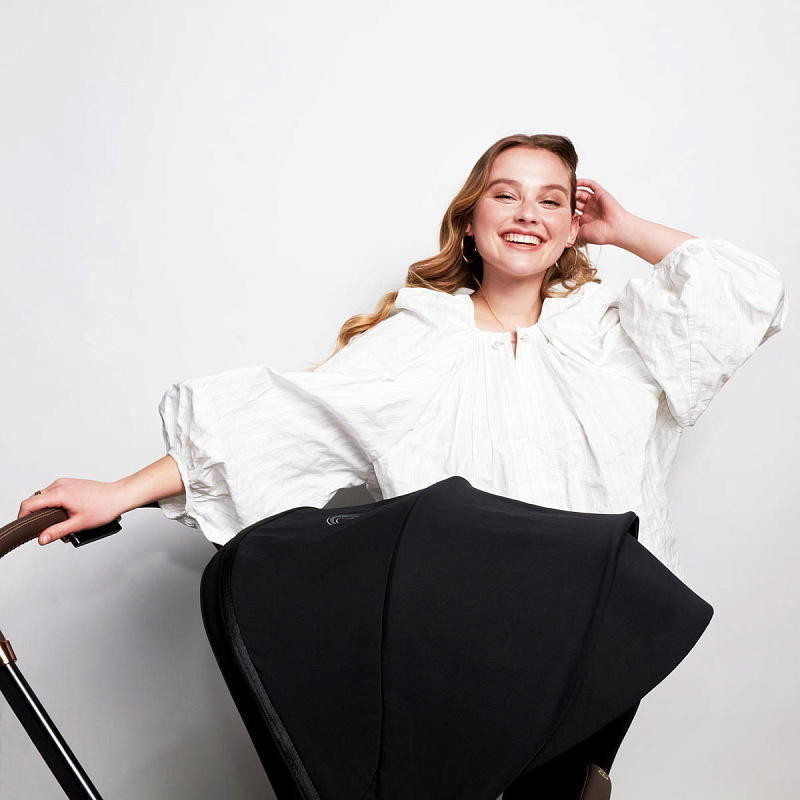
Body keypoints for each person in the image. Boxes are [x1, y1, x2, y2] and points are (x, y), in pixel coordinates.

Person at [16, 133, 788, 795]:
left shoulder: (619, 335)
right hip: (461, 635)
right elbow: (280, 424)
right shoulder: (415, 345)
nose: (527, 212)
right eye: (506, 194)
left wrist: (624, 229)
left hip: (598, 629)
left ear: (570, 228)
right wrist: (120, 492)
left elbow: (745, 294)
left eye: (552, 200)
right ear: (470, 218)